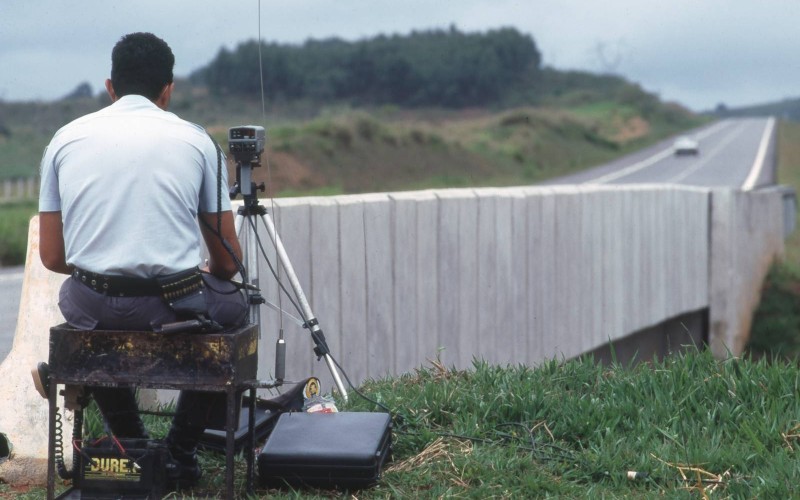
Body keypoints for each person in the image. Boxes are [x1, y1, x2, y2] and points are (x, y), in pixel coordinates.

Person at [38, 32, 248, 488]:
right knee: (235, 308)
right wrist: (204, 276)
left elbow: (53, 256)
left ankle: (132, 445)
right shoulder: (195, 141)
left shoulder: (64, 138)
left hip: (91, 301)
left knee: (77, 305)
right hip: (172, 305)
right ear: (167, 90)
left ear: (110, 86)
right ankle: (180, 452)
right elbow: (228, 262)